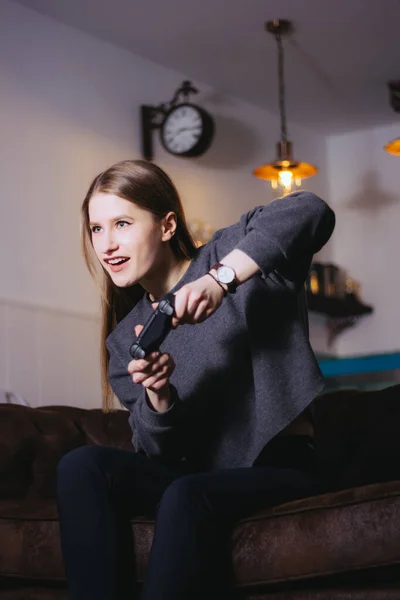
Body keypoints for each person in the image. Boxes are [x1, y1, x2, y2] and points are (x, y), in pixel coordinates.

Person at [56, 159, 335, 600]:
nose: (106, 245)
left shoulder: (227, 256)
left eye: (122, 224)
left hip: (280, 467)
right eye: (96, 229)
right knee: (82, 466)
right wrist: (158, 396)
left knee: (186, 495)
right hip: (195, 476)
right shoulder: (124, 342)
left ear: (167, 226)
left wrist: (219, 281)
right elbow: (162, 452)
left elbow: (310, 210)